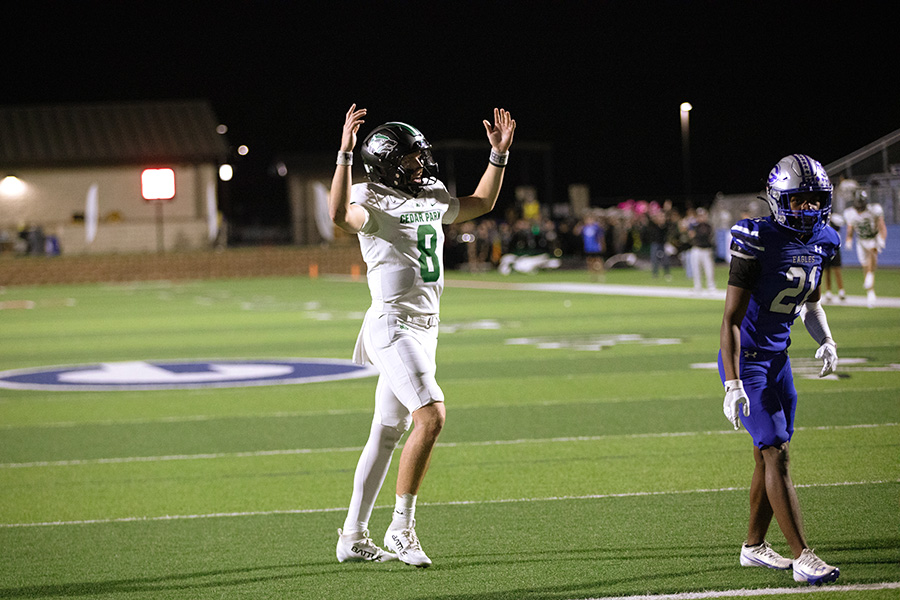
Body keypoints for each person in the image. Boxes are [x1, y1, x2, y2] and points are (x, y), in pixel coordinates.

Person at [329, 104, 516, 567]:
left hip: (425, 328)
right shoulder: (370, 196)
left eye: (421, 156)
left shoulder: (429, 191)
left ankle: (351, 535)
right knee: (430, 416)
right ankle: (401, 526)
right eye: (411, 159)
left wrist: (498, 157)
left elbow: (481, 203)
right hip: (392, 324)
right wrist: (344, 155)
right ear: (388, 162)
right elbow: (337, 215)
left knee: (388, 430)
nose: (421, 165)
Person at [719, 154, 841, 586]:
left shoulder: (824, 240)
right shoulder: (756, 239)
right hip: (747, 361)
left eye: (815, 200)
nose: (808, 209)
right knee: (777, 452)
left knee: (766, 453)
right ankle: (803, 555)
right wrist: (732, 382)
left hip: (779, 359)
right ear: (778, 199)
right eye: (799, 200)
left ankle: (753, 547)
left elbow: (810, 302)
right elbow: (730, 319)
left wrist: (825, 339)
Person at [843, 190, 887, 308]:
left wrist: (882, 238)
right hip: (861, 240)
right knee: (865, 265)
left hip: (873, 237)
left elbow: (881, 225)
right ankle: (870, 291)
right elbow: (850, 228)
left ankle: (870, 276)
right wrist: (849, 239)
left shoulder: (874, 210)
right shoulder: (851, 213)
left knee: (872, 251)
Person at [689, 207, 716, 293]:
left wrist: (694, 233)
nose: (702, 217)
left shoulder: (708, 226)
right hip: (697, 249)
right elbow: (690, 236)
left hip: (706, 250)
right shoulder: (694, 226)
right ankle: (697, 286)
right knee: (696, 269)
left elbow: (705, 235)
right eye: (700, 216)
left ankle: (711, 286)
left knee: (709, 269)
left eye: (703, 215)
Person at [821, 213, 845, 303]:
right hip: (824, 248)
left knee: (837, 270)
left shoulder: (834, 218)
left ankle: (841, 291)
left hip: (834, 248)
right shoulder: (821, 219)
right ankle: (828, 292)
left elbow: (840, 224)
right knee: (826, 271)